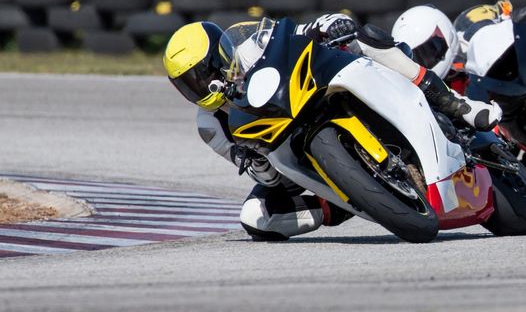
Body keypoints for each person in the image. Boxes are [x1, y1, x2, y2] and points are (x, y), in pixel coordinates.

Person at [162, 14, 502, 240]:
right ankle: (344, 202)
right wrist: (257, 165)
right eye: (189, 83)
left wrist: (327, 25)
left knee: (364, 39)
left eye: (204, 72)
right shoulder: (210, 125)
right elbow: (273, 181)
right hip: (298, 160)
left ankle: (458, 105)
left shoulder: (250, 48)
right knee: (255, 217)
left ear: (219, 56)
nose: (202, 85)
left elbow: (293, 33)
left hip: (315, 91)